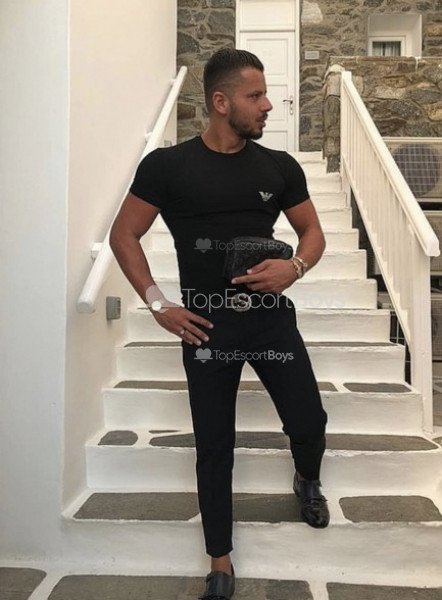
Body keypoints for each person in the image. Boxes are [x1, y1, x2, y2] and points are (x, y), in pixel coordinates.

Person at [109, 47, 329, 600]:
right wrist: (158, 303)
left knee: (309, 419)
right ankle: (220, 560)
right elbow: (123, 234)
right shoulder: (168, 167)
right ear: (221, 102)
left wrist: (294, 268)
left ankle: (306, 476)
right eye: (256, 96)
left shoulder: (279, 166)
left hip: (270, 321)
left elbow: (313, 234)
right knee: (214, 444)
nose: (268, 105)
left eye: (265, 94)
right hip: (206, 327)